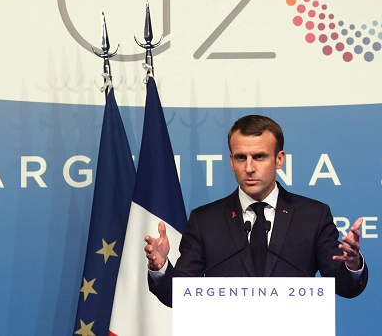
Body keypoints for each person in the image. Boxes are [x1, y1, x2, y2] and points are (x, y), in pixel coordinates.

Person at [144, 115, 368, 307]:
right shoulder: (205, 220)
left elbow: (345, 286)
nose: (249, 168)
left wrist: (352, 264)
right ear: (231, 161)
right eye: (241, 157)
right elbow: (179, 296)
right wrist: (161, 267)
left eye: (259, 156)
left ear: (279, 159)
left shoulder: (312, 216)